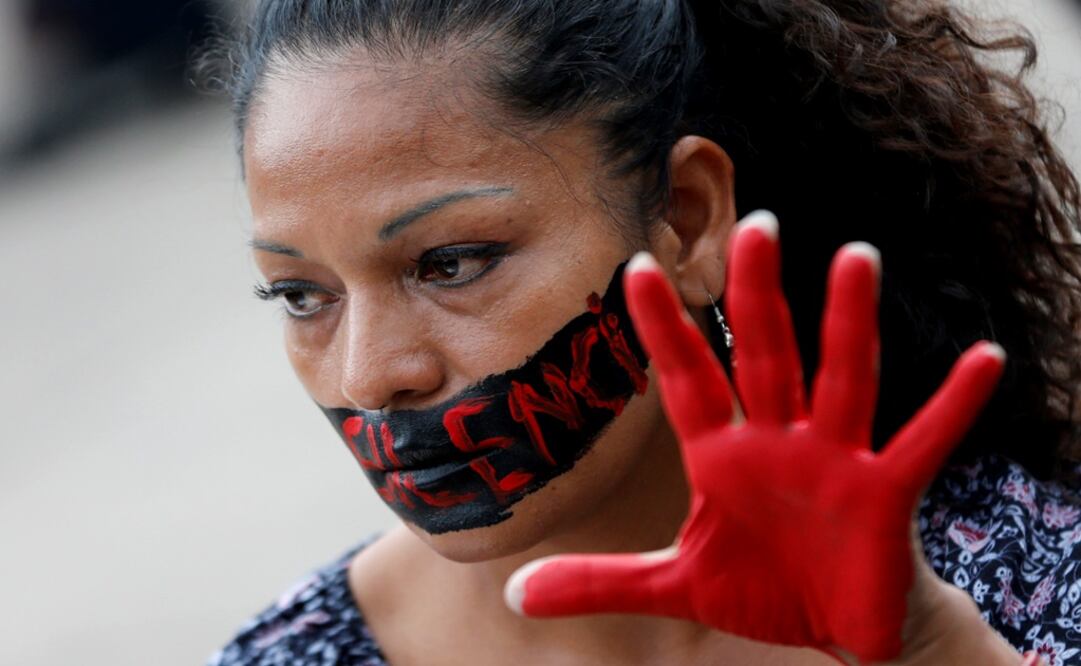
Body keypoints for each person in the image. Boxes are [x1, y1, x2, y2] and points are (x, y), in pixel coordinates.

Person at [203, 0, 1081, 664]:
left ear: (688, 220)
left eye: (451, 263)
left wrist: (930, 651)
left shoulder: (1022, 575)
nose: (367, 376)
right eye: (299, 296)